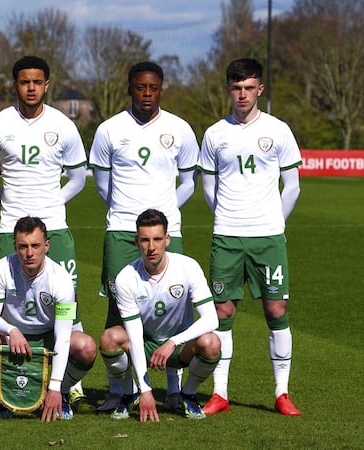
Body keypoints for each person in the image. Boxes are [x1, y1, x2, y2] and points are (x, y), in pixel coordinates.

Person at [0, 55, 90, 411]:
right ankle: (14, 388)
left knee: (69, 306)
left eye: (37, 82)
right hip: (10, 227)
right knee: (9, 310)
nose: (30, 88)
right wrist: (7, 203)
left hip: (55, 225)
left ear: (47, 85)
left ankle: (71, 386)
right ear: (16, 84)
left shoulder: (63, 125)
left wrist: (52, 202)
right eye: (24, 82)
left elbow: (78, 177)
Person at [88, 61, 200, 412]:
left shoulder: (180, 129)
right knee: (117, 308)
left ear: (161, 89)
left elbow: (189, 181)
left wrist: (162, 218)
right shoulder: (109, 129)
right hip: (122, 230)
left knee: (175, 307)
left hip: (169, 232)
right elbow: (102, 183)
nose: (147, 93)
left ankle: (173, 387)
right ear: (130, 89)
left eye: (153, 87)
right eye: (140, 87)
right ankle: (120, 391)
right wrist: (127, 211)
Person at [199, 58, 302, 416]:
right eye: (236, 88)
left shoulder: (278, 130)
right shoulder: (215, 134)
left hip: (268, 237)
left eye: (249, 88)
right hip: (227, 237)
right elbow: (208, 187)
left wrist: (274, 222)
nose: (242, 94)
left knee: (276, 309)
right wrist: (229, 218)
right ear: (228, 89)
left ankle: (282, 393)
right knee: (222, 311)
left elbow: (292, 186)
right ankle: (221, 393)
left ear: (260, 90)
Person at [99, 209, 220, 422]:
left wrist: (173, 342)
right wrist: (146, 390)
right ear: (137, 241)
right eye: (145, 240)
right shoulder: (126, 278)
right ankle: (131, 393)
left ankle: (188, 394)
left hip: (180, 348)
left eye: (157, 239)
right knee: (110, 338)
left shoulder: (188, 267)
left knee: (211, 342)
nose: (151, 247)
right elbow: (134, 336)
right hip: (145, 345)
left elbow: (212, 319)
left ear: (167, 239)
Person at [0, 216, 96, 421]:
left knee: (86, 347)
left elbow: (63, 337)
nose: (29, 253)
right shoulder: (1, 268)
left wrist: (55, 387)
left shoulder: (62, 280)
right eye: (23, 246)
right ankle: (8, 394)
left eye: (35, 245)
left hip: (48, 336)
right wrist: (12, 331)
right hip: (15, 337)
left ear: (47, 246)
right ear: (15, 246)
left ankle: (63, 394)